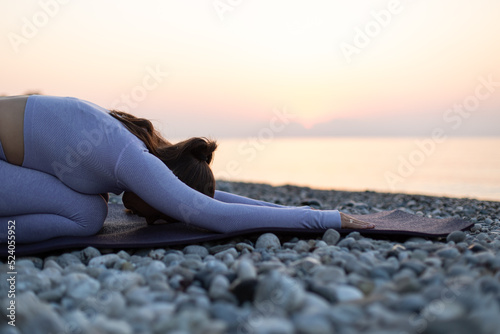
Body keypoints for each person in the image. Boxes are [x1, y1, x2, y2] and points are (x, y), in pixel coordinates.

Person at [0, 95, 374, 244]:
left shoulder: (134, 146)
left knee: (89, 209)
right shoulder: (133, 160)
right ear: (165, 185)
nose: (151, 220)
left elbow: (209, 202)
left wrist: (300, 210)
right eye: (166, 214)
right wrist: (330, 218)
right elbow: (218, 216)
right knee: (87, 215)